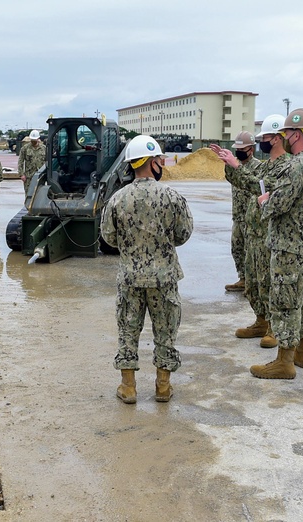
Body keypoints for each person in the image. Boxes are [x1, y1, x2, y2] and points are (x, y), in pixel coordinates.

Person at [100, 135, 193, 404]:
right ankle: (163, 387)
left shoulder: (117, 199)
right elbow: (183, 234)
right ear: (153, 163)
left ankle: (128, 387)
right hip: (164, 278)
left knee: (128, 330)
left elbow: (108, 237)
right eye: (160, 160)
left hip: (130, 277)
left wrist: (132, 249)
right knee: (165, 331)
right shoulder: (172, 197)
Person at [251, 107, 303, 379]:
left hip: (290, 247)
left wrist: (265, 200)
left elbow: (278, 203)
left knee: (285, 301)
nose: (283, 138)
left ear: (295, 135)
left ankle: (284, 361)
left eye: (285, 133)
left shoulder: (297, 166)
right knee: (302, 298)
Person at [215, 131, 259, 293]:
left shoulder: (258, 167)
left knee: (251, 252)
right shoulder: (235, 165)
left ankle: (253, 283)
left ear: (251, 149)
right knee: (237, 248)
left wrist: (236, 166)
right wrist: (227, 162)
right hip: (238, 217)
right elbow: (230, 178)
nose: (239, 152)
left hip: (252, 218)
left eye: (243, 149)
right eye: (237, 148)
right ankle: (243, 279)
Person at [17, 129, 46, 202]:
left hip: (40, 176)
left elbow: (47, 162)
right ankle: (28, 210)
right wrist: (21, 174)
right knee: (28, 195)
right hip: (29, 176)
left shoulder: (44, 148)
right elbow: (20, 161)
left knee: (39, 194)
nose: (33, 141)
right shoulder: (25, 148)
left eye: (34, 139)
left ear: (38, 138)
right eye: (32, 139)